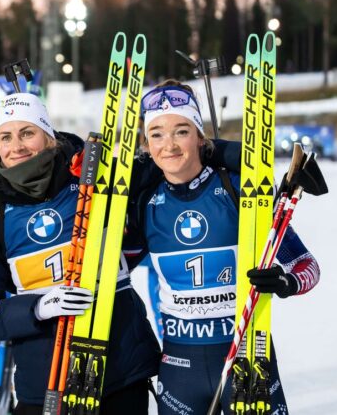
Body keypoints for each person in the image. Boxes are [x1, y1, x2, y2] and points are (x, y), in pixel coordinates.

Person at [0, 92, 161, 415]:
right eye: (6, 137)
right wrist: (36, 308)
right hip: (46, 383)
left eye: (27, 133)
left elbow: (169, 167)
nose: (17, 146)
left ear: (48, 137)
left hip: (119, 372)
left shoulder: (90, 185)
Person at [125, 80, 321, 414]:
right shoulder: (146, 204)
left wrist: (285, 282)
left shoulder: (238, 191)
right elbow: (112, 272)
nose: (168, 144)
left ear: (200, 138)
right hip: (178, 371)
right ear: (147, 143)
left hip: (249, 362)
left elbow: (307, 265)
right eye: (156, 133)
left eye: (181, 131)